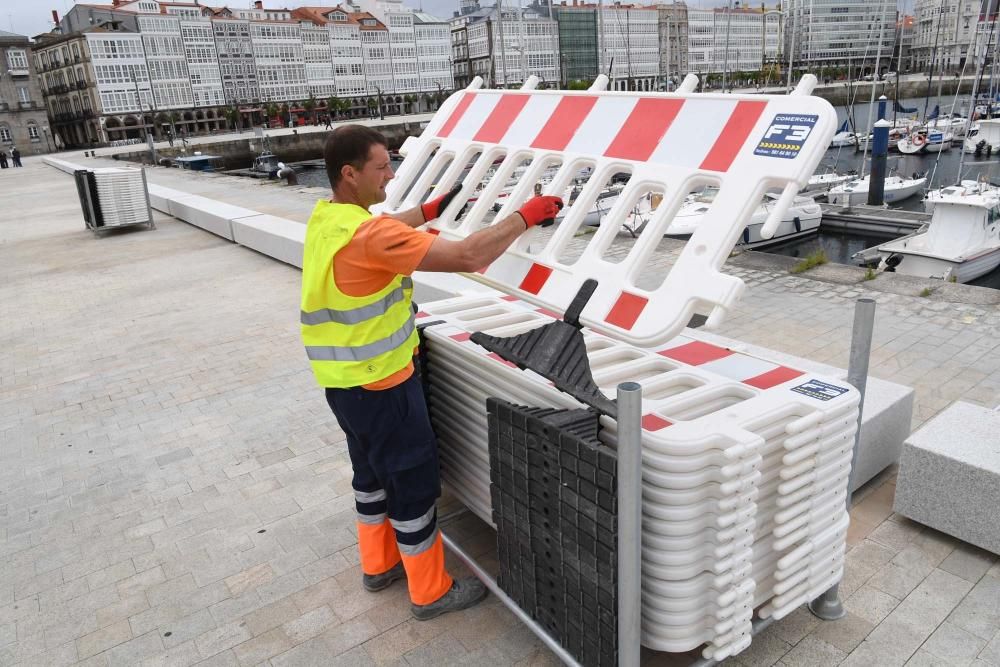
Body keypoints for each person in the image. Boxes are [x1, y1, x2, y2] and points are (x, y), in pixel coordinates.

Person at [301, 125, 562, 620]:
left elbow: (378, 229)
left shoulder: (327, 220)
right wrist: (524, 217)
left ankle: (377, 566)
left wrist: (426, 212)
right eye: (382, 167)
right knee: (413, 484)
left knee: (371, 477)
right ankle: (430, 591)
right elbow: (469, 256)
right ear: (350, 174)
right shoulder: (371, 235)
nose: (391, 173)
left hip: (343, 385)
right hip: (384, 384)